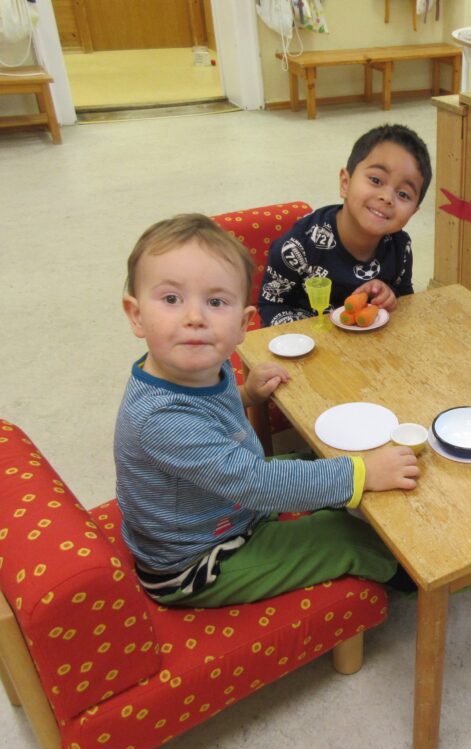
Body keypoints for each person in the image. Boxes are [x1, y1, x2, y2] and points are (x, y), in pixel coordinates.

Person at [116, 213, 419, 606]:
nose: (195, 318)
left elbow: (208, 415)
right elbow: (257, 483)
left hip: (224, 504)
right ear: (136, 315)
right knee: (345, 535)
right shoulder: (160, 419)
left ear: (243, 325)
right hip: (197, 563)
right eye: (171, 299)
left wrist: (245, 394)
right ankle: (409, 573)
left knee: (322, 459)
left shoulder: (198, 360)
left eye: (215, 302)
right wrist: (365, 473)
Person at [258, 123, 432, 326]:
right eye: (376, 180)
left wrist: (389, 296)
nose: (387, 197)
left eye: (403, 194)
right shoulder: (298, 247)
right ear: (345, 183)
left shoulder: (400, 247)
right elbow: (271, 305)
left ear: (413, 212)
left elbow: (405, 299)